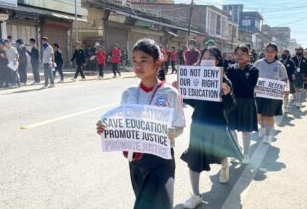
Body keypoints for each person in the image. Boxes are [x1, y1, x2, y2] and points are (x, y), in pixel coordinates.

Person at [96, 38, 185, 209]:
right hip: (136, 160)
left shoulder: (170, 93)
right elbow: (122, 125)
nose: (138, 65)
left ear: (157, 63)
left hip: (161, 160)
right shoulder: (128, 93)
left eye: (144, 61)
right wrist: (106, 130)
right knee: (142, 200)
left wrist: (171, 131)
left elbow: (180, 125)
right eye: (135, 60)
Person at [179, 47, 243, 209]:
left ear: (218, 61)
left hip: (217, 124)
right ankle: (196, 195)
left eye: (211, 57)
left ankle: (224, 165)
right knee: (194, 159)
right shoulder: (195, 77)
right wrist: (182, 90)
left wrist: (227, 94)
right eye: (204, 57)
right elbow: (192, 102)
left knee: (220, 152)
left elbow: (230, 107)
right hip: (198, 123)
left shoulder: (224, 81)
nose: (206, 60)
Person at [226, 45, 259, 164]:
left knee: (246, 130)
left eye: (242, 54)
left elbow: (250, 86)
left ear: (248, 55)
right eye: (237, 54)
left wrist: (239, 71)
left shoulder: (253, 70)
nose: (239, 56)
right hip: (232, 101)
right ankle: (236, 150)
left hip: (247, 102)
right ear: (234, 55)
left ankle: (246, 154)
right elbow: (228, 86)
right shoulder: (230, 69)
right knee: (231, 128)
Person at [255, 44, 289, 144]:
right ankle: (263, 127)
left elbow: (284, 79)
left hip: (273, 95)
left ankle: (268, 135)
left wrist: (286, 88)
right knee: (258, 115)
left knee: (269, 116)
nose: (270, 53)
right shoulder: (258, 63)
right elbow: (252, 76)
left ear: (276, 53)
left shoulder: (280, 65)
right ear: (264, 52)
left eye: (272, 51)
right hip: (259, 93)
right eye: (267, 51)